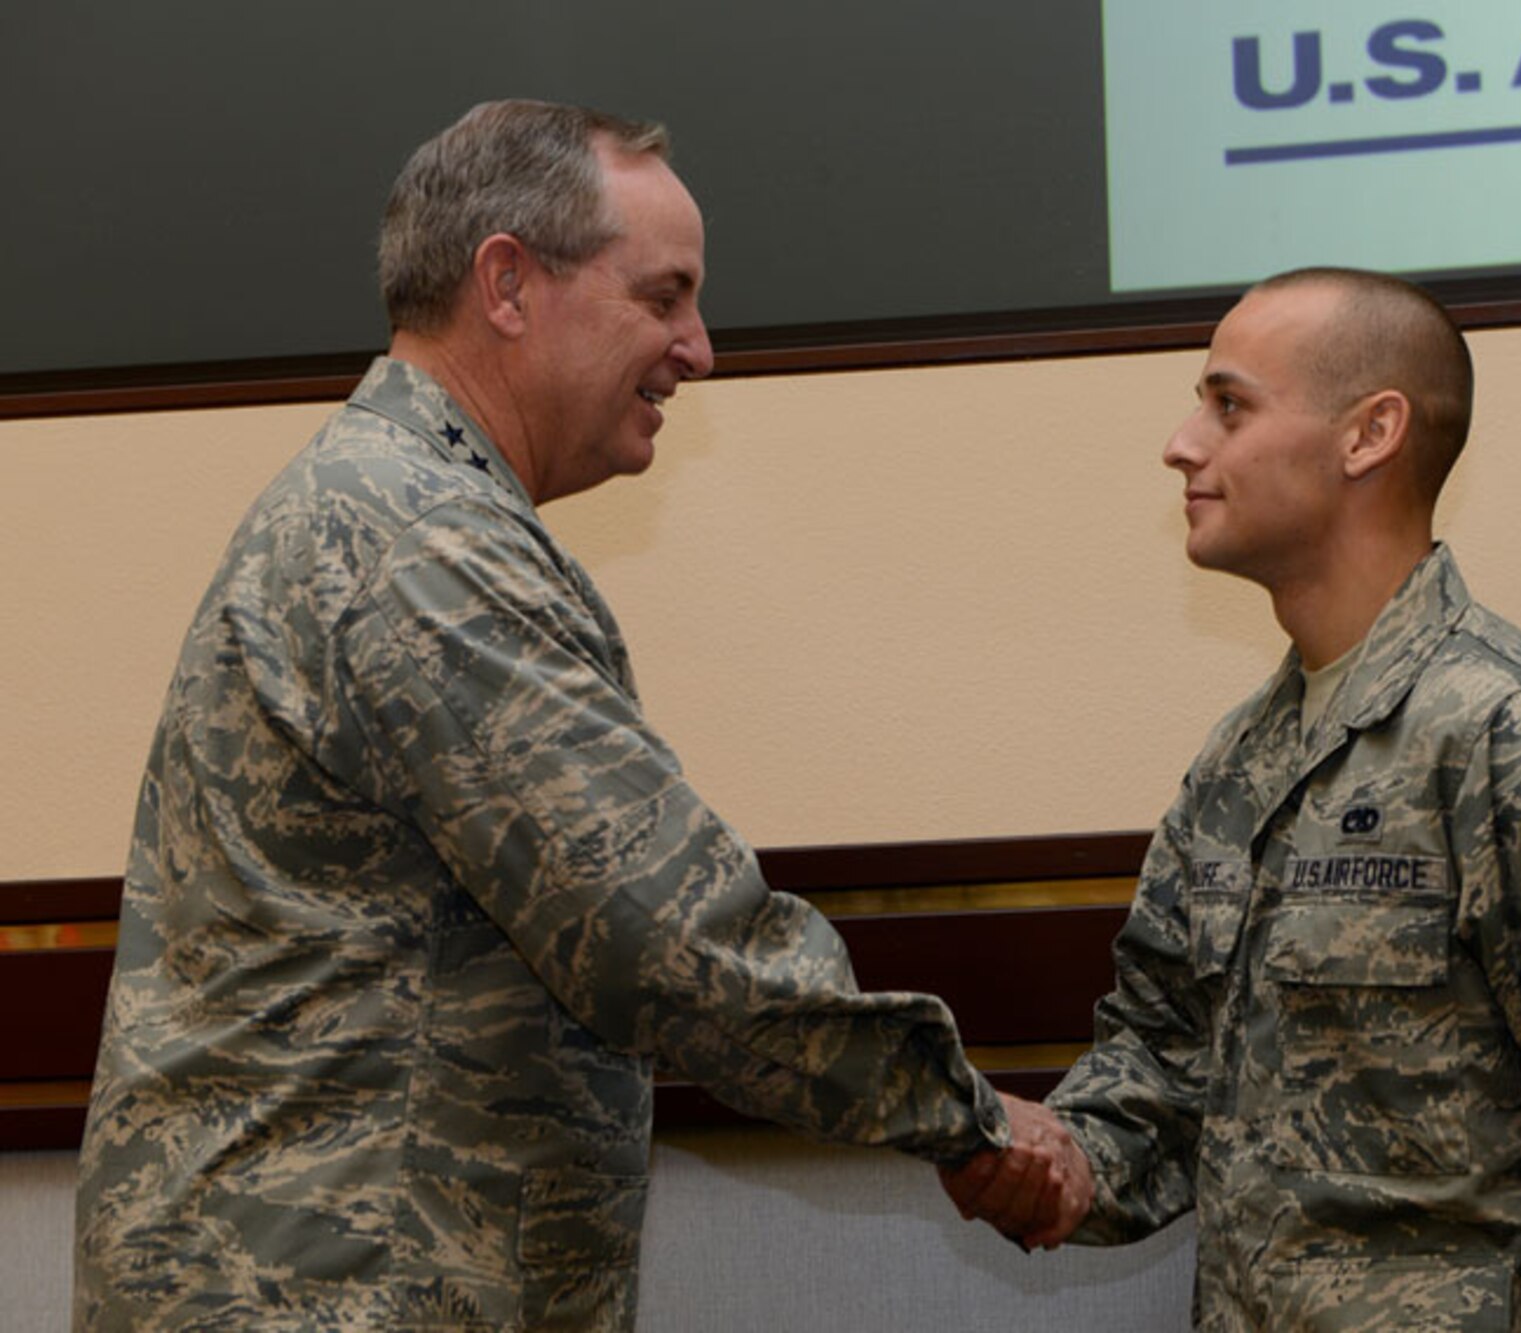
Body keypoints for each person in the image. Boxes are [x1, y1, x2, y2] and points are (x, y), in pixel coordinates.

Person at [73, 99, 1070, 1331]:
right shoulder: (417, 542)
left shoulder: (395, 507)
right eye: (662, 297)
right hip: (333, 1292)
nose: (698, 350)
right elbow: (662, 934)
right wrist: (964, 1119)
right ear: (506, 283)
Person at [942, 268, 1521, 1327]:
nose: (1181, 443)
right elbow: (1160, 1079)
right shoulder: (1237, 763)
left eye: (1228, 404)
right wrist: (1040, 1158)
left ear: (1367, 434)